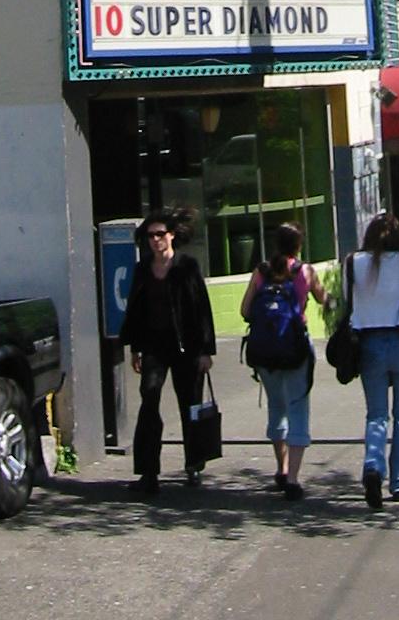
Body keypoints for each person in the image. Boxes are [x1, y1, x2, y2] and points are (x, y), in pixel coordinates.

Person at [118, 208, 216, 496]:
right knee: (149, 400)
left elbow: (202, 309)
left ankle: (194, 464)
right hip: (154, 346)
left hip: (186, 346)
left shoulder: (187, 266)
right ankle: (148, 472)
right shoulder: (143, 269)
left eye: (160, 234)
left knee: (190, 405)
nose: (155, 240)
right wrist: (136, 349)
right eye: (150, 236)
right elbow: (136, 311)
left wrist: (205, 351)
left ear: (171, 235)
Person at [239, 220, 326, 501]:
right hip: (296, 348)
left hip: (265, 352)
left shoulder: (262, 271)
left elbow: (245, 310)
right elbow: (325, 299)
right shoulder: (305, 271)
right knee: (298, 408)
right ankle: (293, 478)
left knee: (276, 406)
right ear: (299, 244)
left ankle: (281, 467)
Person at [347, 212, 399, 508]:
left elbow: (348, 300)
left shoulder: (354, 262)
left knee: (377, 414)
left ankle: (373, 466)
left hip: (369, 342)